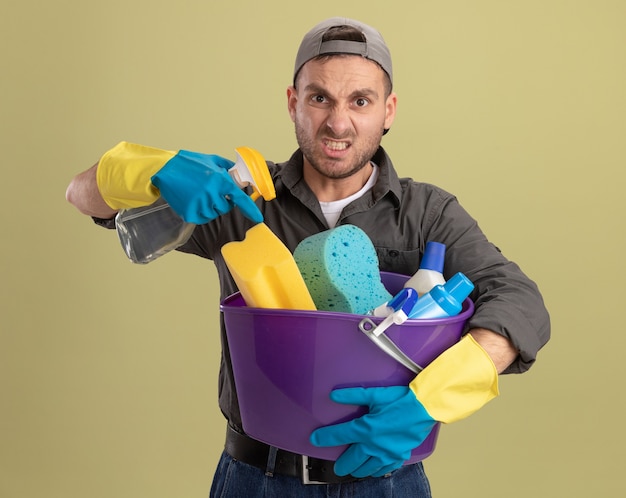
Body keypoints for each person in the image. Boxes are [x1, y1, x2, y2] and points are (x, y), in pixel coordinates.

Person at [66, 17, 550, 498]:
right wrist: (156, 169)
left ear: (389, 110)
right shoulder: (238, 198)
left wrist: (430, 401)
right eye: (320, 98)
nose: (338, 123)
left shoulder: (428, 213)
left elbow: (519, 304)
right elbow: (83, 195)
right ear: (294, 103)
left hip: (386, 480)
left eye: (360, 101)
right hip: (256, 479)